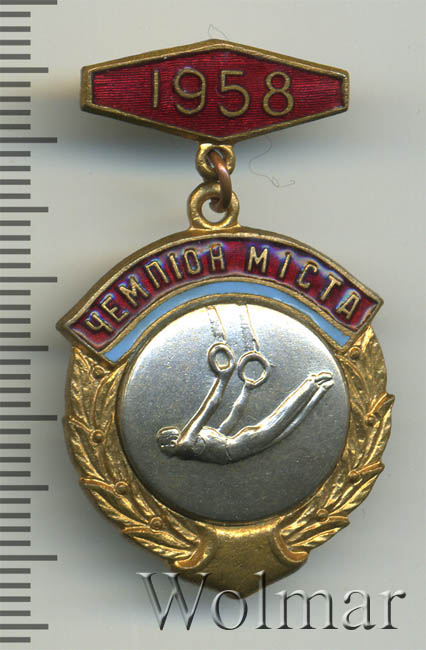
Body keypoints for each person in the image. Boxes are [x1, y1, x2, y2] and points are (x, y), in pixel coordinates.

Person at [156, 342, 334, 465]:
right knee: (283, 424)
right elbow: (209, 408)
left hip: (238, 445)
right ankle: (314, 386)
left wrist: (245, 391)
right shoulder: (185, 445)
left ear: (171, 441)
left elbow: (227, 422)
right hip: (239, 446)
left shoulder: (187, 442)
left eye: (163, 445)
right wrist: (223, 380)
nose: (163, 450)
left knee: (284, 425)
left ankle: (316, 386)